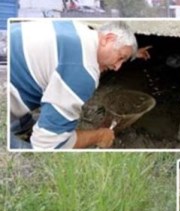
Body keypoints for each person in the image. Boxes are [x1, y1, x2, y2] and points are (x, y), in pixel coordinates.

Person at [9, 20, 151, 149]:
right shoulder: (82, 71)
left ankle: (21, 126)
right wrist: (99, 136)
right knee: (38, 156)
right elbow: (48, 146)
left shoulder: (77, 28)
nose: (118, 67)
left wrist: (132, 54)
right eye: (120, 57)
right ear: (108, 39)